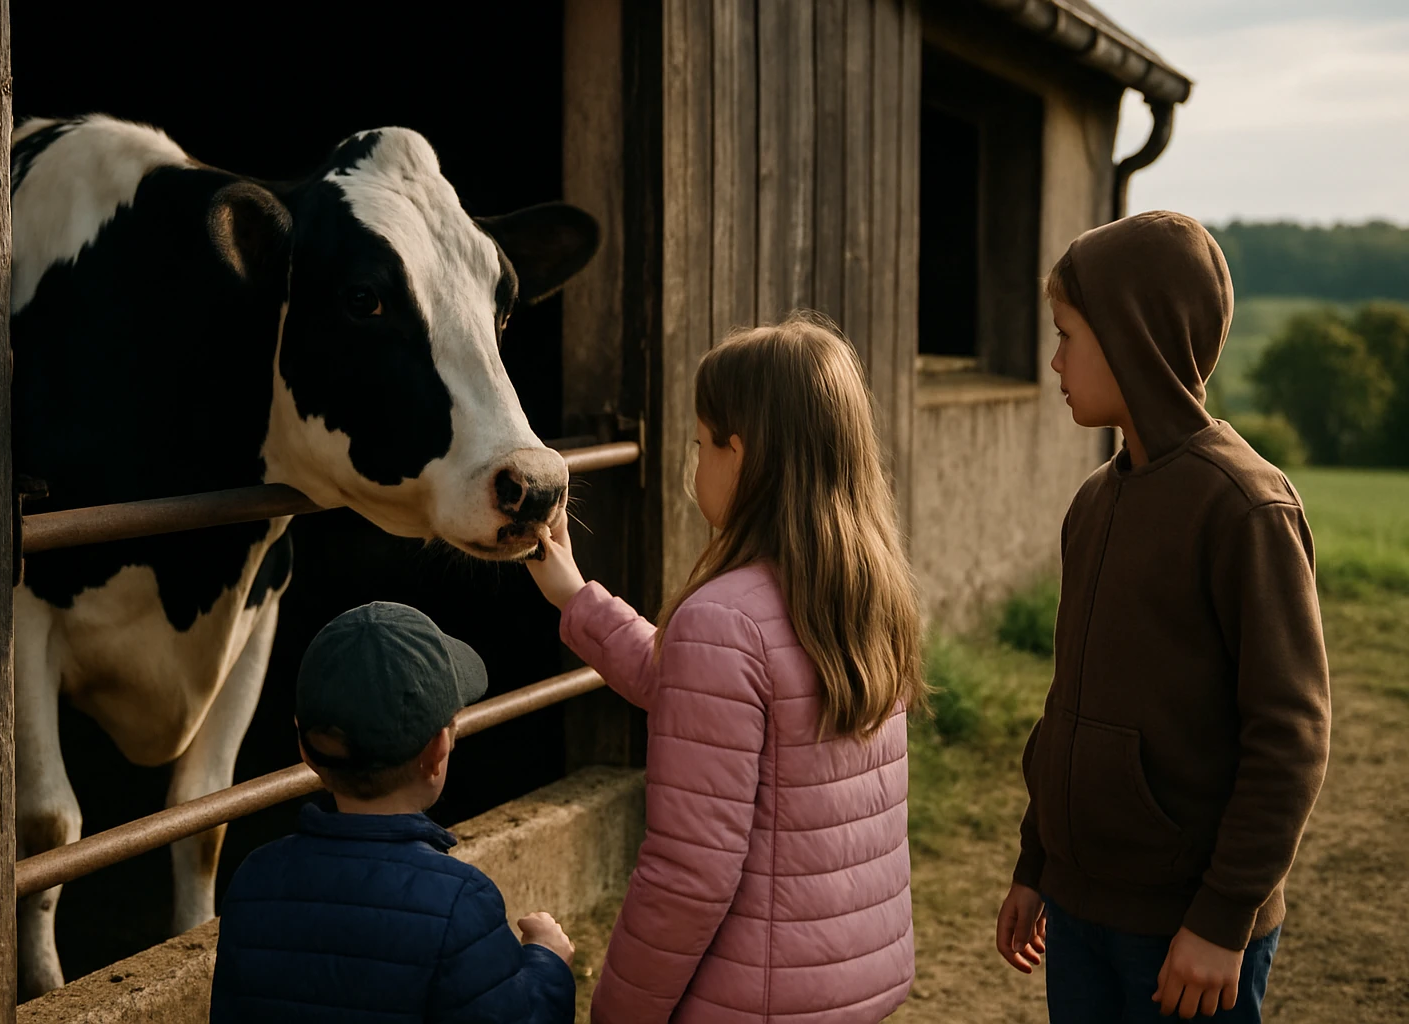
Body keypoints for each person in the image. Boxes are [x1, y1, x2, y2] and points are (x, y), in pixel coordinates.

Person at [526, 312, 926, 1023]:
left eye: (700, 443)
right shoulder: (868, 593)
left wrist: (618, 1012)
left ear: (737, 454)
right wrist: (575, 595)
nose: (696, 462)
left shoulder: (725, 619)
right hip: (849, 984)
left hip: (751, 1001)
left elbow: (689, 877)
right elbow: (691, 691)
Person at [995, 211, 1331, 1022]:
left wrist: (1221, 918)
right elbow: (1069, 704)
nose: (1054, 361)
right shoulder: (1093, 502)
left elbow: (1289, 735)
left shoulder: (1245, 508)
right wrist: (1037, 863)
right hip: (1079, 912)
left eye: (1067, 335)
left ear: (1132, 337)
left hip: (1188, 932)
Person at [210, 602, 577, 1023]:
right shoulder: (461, 903)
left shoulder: (254, 880)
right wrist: (548, 964)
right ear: (438, 750)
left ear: (305, 749)